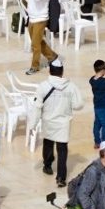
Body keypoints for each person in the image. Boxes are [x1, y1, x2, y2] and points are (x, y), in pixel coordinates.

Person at [33, 58, 84, 187]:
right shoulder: (71, 86)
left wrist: (33, 124)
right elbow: (78, 105)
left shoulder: (43, 86)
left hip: (48, 121)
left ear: (50, 71)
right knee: (62, 150)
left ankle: (47, 165)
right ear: (62, 71)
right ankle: (61, 178)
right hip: (63, 124)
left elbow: (37, 106)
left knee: (48, 144)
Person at [16, 0, 60, 75]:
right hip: (31, 19)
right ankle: (52, 56)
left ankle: (34, 66)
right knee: (38, 41)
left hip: (41, 20)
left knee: (35, 45)